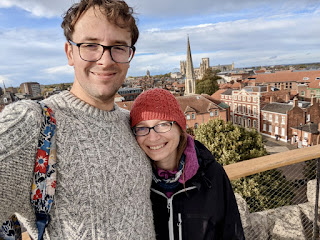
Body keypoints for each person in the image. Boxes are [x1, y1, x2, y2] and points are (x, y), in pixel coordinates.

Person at [0, 0, 156, 239]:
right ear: (70, 53)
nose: (105, 60)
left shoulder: (134, 123)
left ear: (130, 54)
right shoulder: (33, 123)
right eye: (91, 45)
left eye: (118, 46)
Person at [130, 88, 245, 240]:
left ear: (180, 128)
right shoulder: (133, 182)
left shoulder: (211, 175)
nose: (152, 137)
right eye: (142, 127)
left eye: (163, 124)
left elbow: (232, 233)